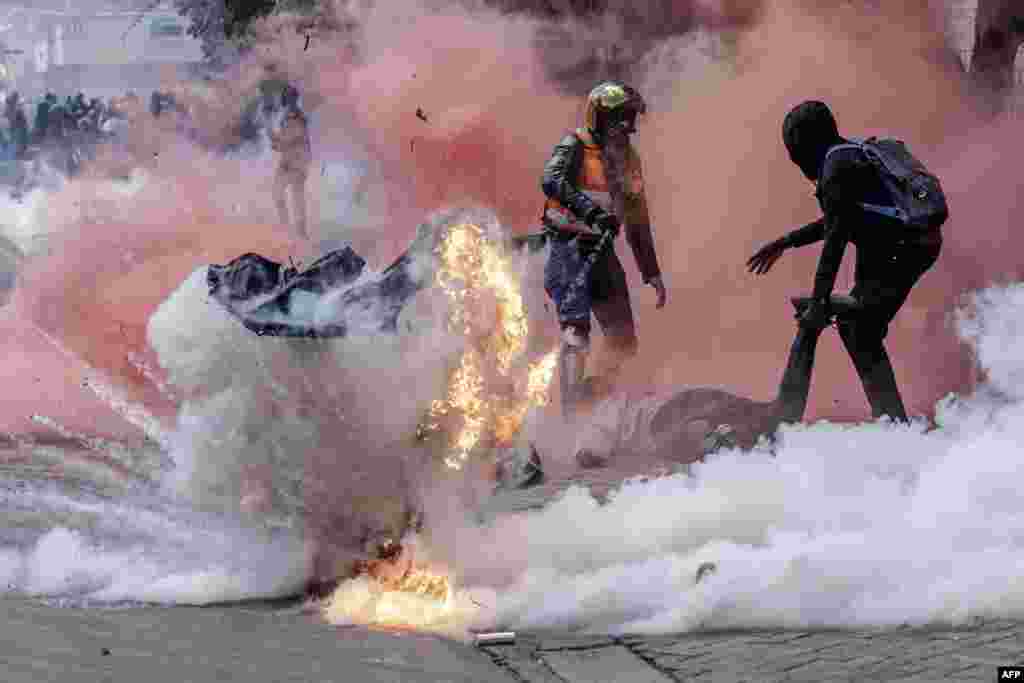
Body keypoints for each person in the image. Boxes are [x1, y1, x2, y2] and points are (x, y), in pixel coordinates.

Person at [747, 101, 945, 424]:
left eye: (793, 149)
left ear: (803, 141)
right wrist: (786, 242)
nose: (794, 160)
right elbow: (839, 221)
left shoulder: (835, 168)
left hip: (903, 249)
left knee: (858, 327)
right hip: (903, 245)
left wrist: (819, 303)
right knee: (858, 328)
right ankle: (891, 420)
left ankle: (893, 423)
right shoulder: (846, 154)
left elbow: (836, 240)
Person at [540, 80, 667, 419]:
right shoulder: (575, 145)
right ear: (601, 118)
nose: (627, 128)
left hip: (600, 252)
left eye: (630, 120)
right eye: (620, 119)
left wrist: (650, 271)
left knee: (624, 339)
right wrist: (593, 213)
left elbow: (638, 219)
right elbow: (551, 180)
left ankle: (589, 397)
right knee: (576, 334)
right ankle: (570, 416)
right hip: (566, 250)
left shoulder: (629, 162)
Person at [269, 84, 312, 241]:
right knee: (287, 194)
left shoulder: (294, 117)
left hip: (294, 163)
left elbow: (286, 142)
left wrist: (274, 139)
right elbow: (284, 142)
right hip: (293, 162)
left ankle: (293, 230)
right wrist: (276, 140)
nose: (284, 100)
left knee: (291, 195)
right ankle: (292, 229)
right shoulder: (293, 116)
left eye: (286, 98)